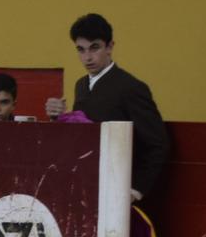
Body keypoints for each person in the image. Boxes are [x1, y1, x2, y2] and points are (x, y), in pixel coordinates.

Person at [44, 13, 169, 203]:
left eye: (94, 48)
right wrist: (57, 118)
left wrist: (135, 189)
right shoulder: (81, 85)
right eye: (81, 50)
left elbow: (157, 144)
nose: (87, 57)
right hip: (86, 182)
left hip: (118, 184)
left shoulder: (131, 88)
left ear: (110, 47)